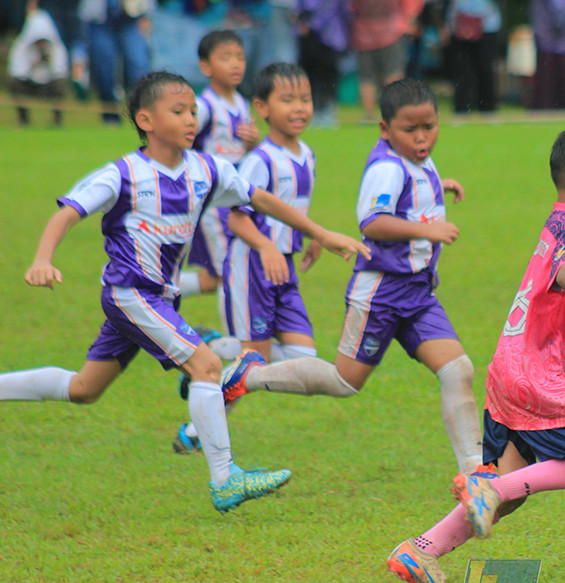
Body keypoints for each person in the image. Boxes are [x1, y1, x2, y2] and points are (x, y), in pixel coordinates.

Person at [0, 71, 370, 514]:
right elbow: (67, 213)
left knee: (84, 389)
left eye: (193, 110)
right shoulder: (124, 174)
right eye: (179, 111)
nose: (192, 119)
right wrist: (43, 259)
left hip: (160, 298)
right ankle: (225, 478)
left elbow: (262, 200)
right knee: (207, 365)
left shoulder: (207, 169)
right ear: (146, 120)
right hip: (131, 294)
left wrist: (321, 232)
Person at [386, 123, 565, 583]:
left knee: (513, 489)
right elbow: (564, 272)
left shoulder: (556, 222)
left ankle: (420, 550)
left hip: (509, 369)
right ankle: (487, 487)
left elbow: (545, 307)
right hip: (534, 379)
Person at [215, 79, 484, 476]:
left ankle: (475, 475)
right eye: (410, 130)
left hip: (418, 292)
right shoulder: (387, 167)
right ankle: (250, 375)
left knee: (458, 369)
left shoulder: (418, 160)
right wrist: (428, 230)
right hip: (381, 292)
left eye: (429, 126)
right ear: (384, 130)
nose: (422, 137)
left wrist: (437, 186)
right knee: (345, 381)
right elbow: (373, 222)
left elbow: (409, 195)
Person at [173, 62, 327, 453]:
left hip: (284, 267)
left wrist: (311, 237)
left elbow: (295, 207)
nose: (299, 108)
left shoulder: (307, 153)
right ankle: (193, 432)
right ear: (262, 107)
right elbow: (237, 218)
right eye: (287, 99)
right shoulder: (261, 159)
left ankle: (215, 346)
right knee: (254, 363)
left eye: (305, 99)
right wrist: (267, 245)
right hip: (252, 269)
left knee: (303, 355)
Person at [176, 30, 260, 348]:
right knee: (230, 272)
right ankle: (234, 341)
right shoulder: (204, 105)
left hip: (235, 201)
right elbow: (181, 139)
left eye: (239, 56)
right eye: (225, 57)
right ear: (206, 66)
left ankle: (150, 286)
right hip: (212, 204)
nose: (235, 64)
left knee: (215, 277)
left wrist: (254, 143)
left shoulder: (240, 102)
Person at [78, 0, 151, 124]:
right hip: (100, 21)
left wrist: (147, 14)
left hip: (132, 19)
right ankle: (110, 117)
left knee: (138, 67)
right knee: (104, 71)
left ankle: (142, 115)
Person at [351, 0, 424, 121]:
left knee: (367, 77)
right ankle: (394, 113)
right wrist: (410, 19)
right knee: (393, 73)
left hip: (363, 34)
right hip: (392, 31)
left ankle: (369, 115)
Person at [8, 0, 69, 126]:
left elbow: (60, 71)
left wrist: (49, 62)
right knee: (13, 82)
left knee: (61, 83)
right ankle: (23, 118)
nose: (41, 44)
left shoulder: (56, 48)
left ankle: (57, 119)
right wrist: (33, 65)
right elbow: (17, 72)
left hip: (49, 84)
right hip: (29, 83)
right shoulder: (22, 48)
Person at [296, 0, 350, 128]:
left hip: (332, 37)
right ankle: (311, 111)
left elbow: (345, 11)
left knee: (329, 76)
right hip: (310, 36)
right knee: (310, 76)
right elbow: (299, 9)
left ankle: (328, 111)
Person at [442, 0, 501, 114]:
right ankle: (462, 107)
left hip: (487, 25)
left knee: (485, 69)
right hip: (459, 26)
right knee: (462, 71)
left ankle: (487, 108)